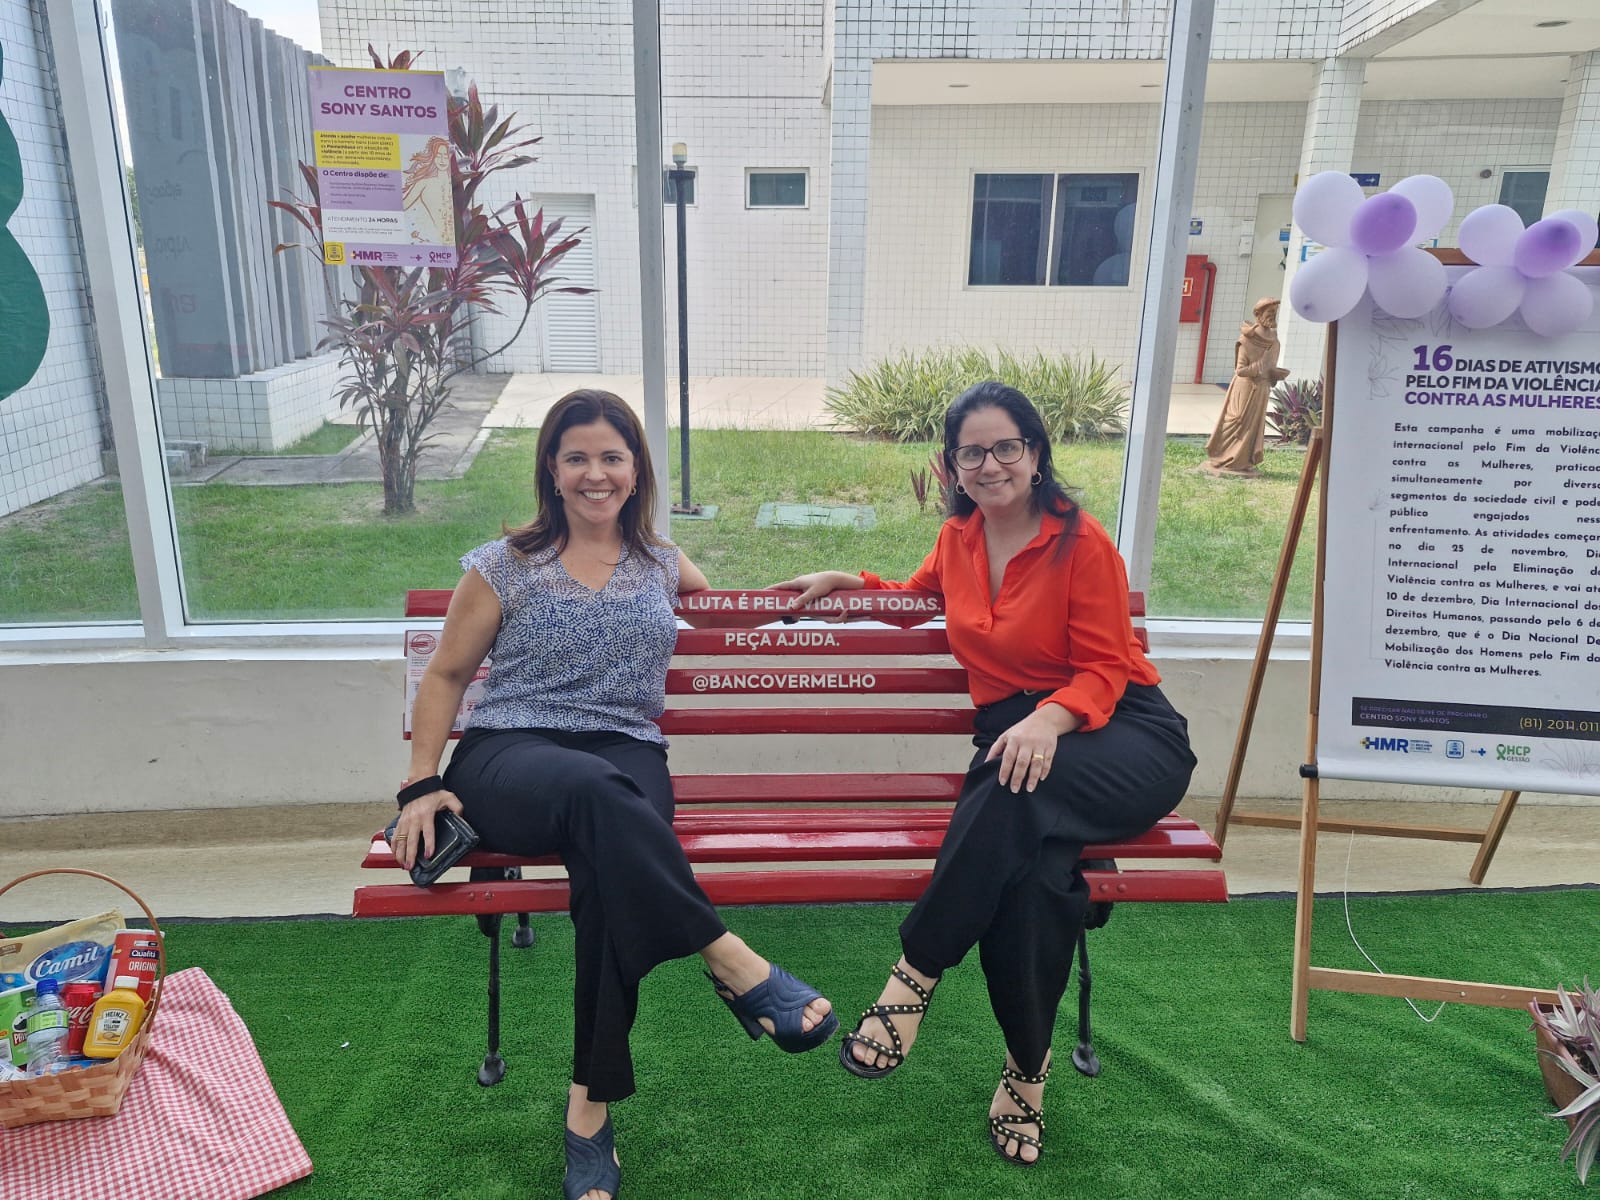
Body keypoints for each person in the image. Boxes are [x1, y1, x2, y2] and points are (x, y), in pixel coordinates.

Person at [391, 389, 836, 1200]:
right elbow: (448, 675)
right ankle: (730, 960)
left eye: (611, 457)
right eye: (577, 458)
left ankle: (588, 1111)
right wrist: (421, 784)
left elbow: (723, 621)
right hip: (512, 755)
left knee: (611, 877)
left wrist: (817, 584)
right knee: (600, 793)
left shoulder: (660, 562)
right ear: (552, 470)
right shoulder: (504, 564)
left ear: (635, 471)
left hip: (626, 754)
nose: (595, 474)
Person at [774, 381, 1195, 1167]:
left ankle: (912, 978)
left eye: (1007, 447)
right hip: (1022, 753)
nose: (991, 465)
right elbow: (916, 596)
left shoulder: (1081, 544)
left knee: (1009, 781)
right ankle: (1027, 1075)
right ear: (952, 466)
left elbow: (1107, 670)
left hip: (1122, 738)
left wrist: (1048, 719)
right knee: (1034, 884)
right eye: (972, 452)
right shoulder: (959, 540)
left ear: (1036, 455)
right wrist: (848, 582)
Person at [1204, 296, 1290, 476]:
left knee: (1253, 426)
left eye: (1275, 312)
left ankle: (1242, 461)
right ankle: (1222, 456)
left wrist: (1274, 373)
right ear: (1258, 314)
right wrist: (1259, 366)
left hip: (1262, 389)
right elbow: (1240, 370)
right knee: (1236, 420)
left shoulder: (1274, 340)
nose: (1273, 316)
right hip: (1245, 388)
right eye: (1269, 312)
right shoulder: (1248, 339)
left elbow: (1269, 367)